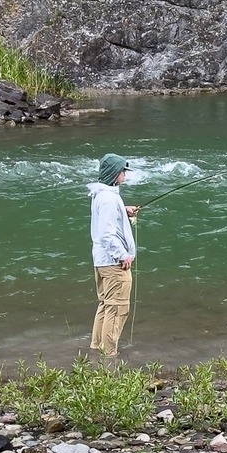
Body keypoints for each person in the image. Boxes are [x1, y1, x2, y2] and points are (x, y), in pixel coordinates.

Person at [86, 152, 138, 358]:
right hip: (113, 263)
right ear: (114, 173)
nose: (125, 174)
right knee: (117, 309)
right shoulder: (108, 198)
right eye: (123, 171)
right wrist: (122, 255)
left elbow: (105, 220)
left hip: (101, 262)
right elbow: (107, 234)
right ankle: (108, 356)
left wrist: (123, 211)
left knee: (106, 306)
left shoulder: (101, 194)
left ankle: (96, 350)